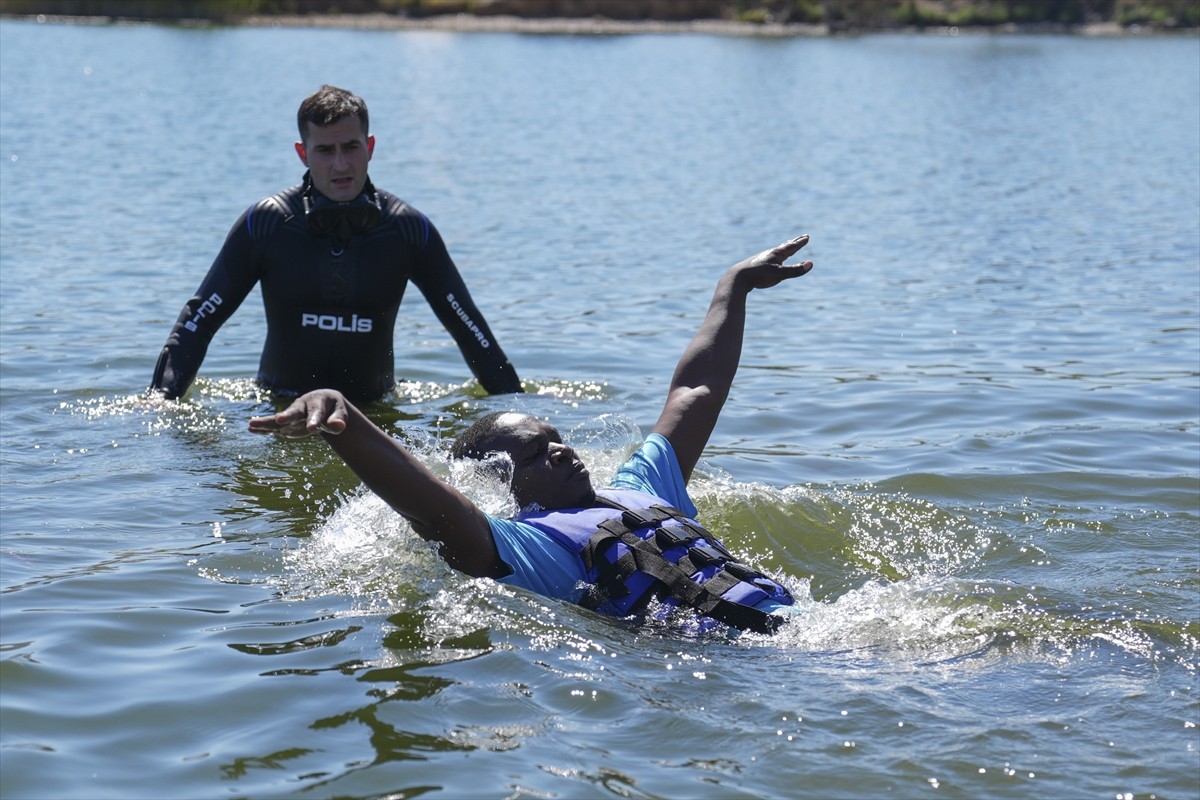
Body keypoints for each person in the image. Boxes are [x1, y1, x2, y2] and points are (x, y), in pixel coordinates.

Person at [250, 235, 815, 633]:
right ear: (501, 481)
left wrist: (731, 288)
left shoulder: (643, 487)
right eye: (536, 453)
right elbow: (433, 509)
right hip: (737, 658)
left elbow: (695, 392)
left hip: (802, 623)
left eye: (555, 437)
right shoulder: (533, 545)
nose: (561, 450)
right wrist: (342, 417)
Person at [150, 84, 522, 402]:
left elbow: (471, 331)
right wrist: (161, 400)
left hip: (375, 414)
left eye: (351, 147)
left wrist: (518, 406)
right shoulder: (266, 225)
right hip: (280, 409)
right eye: (325, 151)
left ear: (370, 146)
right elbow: (197, 323)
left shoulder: (409, 231)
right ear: (303, 153)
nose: (341, 164)